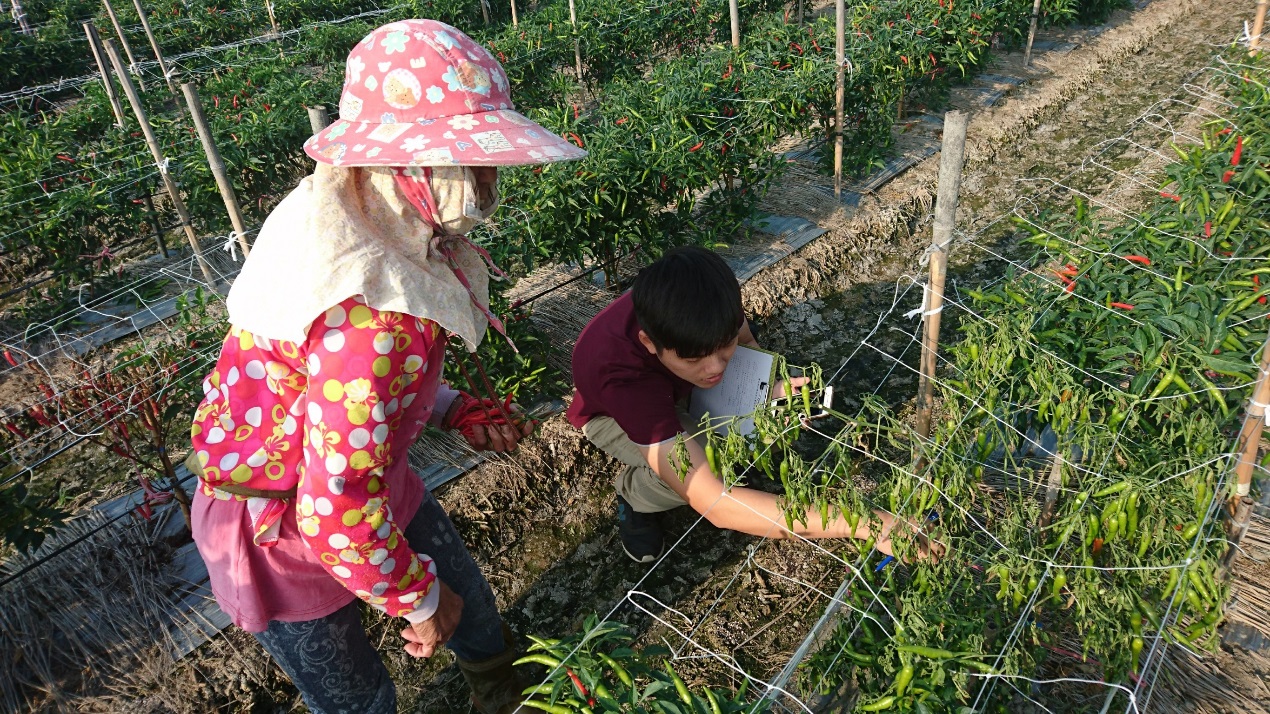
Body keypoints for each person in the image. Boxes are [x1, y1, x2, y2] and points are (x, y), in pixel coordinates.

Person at [187, 19, 585, 714]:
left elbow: (333, 393)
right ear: (416, 170)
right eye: (476, 162)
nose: (489, 180)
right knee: (361, 697)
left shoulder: (340, 211)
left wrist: (450, 404)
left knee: (471, 606)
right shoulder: (374, 315)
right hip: (286, 529)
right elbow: (334, 511)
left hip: (358, 476)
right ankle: (482, 672)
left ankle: (497, 685)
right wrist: (419, 601)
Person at [567, 247, 937, 563]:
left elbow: (745, 341)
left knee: (747, 429)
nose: (715, 370)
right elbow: (716, 503)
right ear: (649, 343)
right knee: (712, 459)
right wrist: (862, 523)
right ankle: (634, 494)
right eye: (695, 359)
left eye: (723, 347)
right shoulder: (620, 375)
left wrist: (766, 386)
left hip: (674, 390)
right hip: (610, 415)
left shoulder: (709, 297)